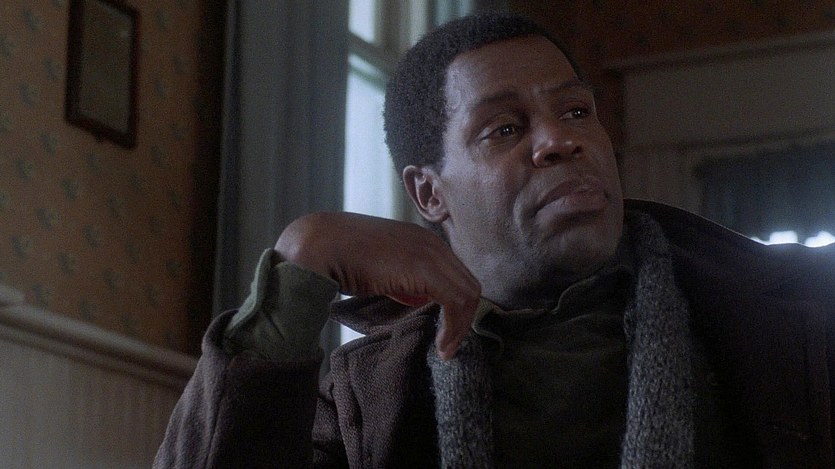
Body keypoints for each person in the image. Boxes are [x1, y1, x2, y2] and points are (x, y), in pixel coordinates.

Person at [154, 12, 835, 468]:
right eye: (504, 128)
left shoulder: (790, 319)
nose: (559, 139)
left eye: (576, 110)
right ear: (429, 193)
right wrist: (301, 258)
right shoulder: (365, 394)